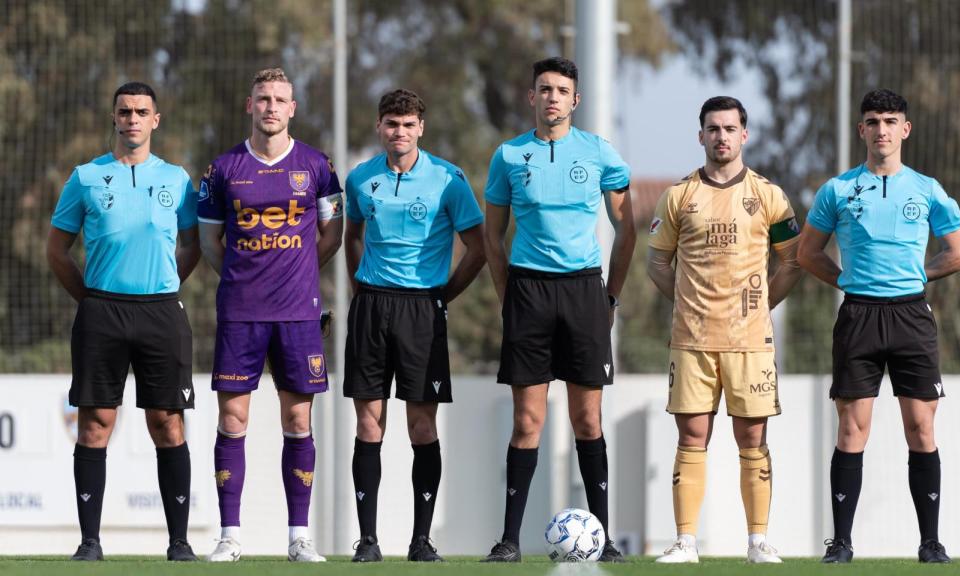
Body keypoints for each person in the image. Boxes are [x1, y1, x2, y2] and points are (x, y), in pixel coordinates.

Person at [797, 89, 960, 564]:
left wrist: (921, 276)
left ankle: (931, 542)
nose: (882, 130)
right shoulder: (837, 189)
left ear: (905, 129)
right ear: (862, 130)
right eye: (872, 121)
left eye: (890, 121)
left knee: (921, 428)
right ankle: (843, 543)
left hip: (912, 316)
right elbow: (807, 253)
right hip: (859, 316)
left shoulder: (927, 188)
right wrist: (847, 281)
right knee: (853, 429)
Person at [481, 56, 636, 563]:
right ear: (532, 98)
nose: (552, 97)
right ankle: (509, 540)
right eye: (544, 89)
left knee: (587, 419)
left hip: (583, 293)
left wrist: (609, 295)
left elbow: (626, 228)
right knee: (527, 422)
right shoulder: (508, 155)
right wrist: (508, 296)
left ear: (576, 100)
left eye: (561, 90)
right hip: (529, 293)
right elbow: (492, 234)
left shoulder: (598, 152)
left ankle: (605, 537)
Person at [47, 81, 201, 562]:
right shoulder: (86, 177)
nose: (132, 119)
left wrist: (167, 285)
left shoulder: (177, 179)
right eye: (124, 111)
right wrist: (91, 299)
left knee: (167, 423)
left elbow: (193, 245)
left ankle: (179, 543)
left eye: (141, 112)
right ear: (114, 118)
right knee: (95, 423)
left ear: (156, 120)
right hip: (101, 312)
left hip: (160, 311)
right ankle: (89, 542)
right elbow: (57, 250)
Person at [646, 96, 802, 564]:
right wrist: (687, 304)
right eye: (713, 129)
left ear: (744, 135)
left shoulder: (769, 195)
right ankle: (686, 543)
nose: (721, 137)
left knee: (752, 440)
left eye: (730, 128)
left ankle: (757, 543)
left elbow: (792, 261)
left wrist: (759, 306)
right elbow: (657, 262)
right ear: (701, 136)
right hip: (692, 341)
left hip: (750, 342)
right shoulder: (679, 195)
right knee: (692, 437)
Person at [197, 68, 344, 563]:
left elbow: (332, 235)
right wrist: (244, 276)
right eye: (263, 99)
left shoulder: (318, 166)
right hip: (241, 312)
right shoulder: (222, 169)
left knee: (298, 419)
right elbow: (208, 243)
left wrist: (297, 272)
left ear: (293, 108)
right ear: (249, 105)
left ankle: (299, 537)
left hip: (299, 315)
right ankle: (229, 536)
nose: (272, 107)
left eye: (280, 99)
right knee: (233, 419)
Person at [343, 89, 485, 563]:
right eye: (390, 123)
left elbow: (478, 247)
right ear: (379, 128)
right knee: (369, 423)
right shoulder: (361, 178)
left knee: (422, 426)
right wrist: (362, 289)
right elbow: (353, 236)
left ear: (420, 127)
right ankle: (368, 540)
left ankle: (421, 540)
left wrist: (442, 294)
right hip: (372, 308)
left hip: (423, 310)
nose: (398, 132)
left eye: (407, 124)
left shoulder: (448, 179)